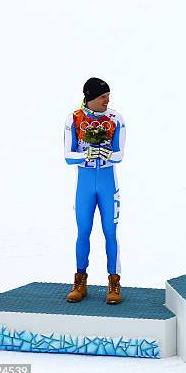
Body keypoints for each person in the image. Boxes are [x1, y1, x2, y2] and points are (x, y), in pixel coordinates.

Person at [63, 77, 126, 304]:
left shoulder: (115, 118)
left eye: (108, 96)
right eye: (103, 97)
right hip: (85, 184)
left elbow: (120, 154)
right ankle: (80, 281)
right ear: (90, 97)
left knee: (110, 232)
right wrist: (87, 155)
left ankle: (114, 282)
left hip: (108, 184)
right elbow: (68, 156)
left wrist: (106, 154)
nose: (107, 101)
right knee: (83, 231)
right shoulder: (74, 119)